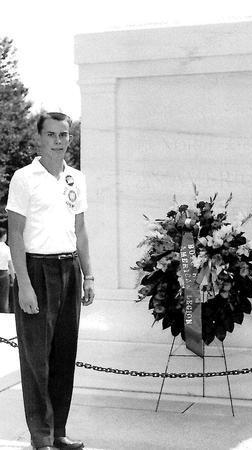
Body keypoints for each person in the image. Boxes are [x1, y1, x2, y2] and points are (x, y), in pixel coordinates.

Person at [6, 112, 95, 450]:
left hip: (69, 269)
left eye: (65, 134)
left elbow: (81, 230)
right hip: (37, 270)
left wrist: (89, 275)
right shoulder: (23, 178)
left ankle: (59, 432)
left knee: (62, 356)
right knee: (36, 360)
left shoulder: (76, 178)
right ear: (39, 138)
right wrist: (25, 284)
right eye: (53, 135)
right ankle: (40, 436)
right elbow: (15, 234)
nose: (60, 141)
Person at [0, 227, 15, 313]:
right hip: (4, 273)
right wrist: (13, 277)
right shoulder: (6, 249)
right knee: (4, 297)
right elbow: (10, 264)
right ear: (4, 236)